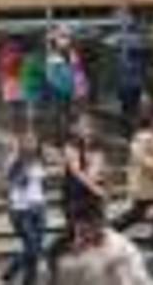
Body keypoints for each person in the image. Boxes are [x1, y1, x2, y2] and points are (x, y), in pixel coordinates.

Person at [47, 117, 108, 281]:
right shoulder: (71, 147)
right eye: (81, 125)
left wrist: (96, 184)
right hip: (74, 195)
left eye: (88, 126)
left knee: (96, 232)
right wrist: (95, 187)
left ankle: (91, 271)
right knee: (72, 232)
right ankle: (54, 261)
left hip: (91, 197)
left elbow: (97, 168)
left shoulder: (96, 146)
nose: (85, 129)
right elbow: (76, 172)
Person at [113, 109, 153, 247]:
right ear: (152, 122)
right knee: (138, 212)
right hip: (146, 182)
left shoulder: (150, 137)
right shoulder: (143, 138)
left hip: (151, 181)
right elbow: (141, 158)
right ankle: (113, 228)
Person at [58, 207, 151, 285]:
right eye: (78, 233)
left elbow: (135, 279)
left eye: (84, 232)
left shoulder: (122, 250)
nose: (79, 240)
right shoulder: (67, 253)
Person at [1, 131, 47, 285]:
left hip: (39, 208)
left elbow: (41, 183)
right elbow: (9, 178)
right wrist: (16, 156)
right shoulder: (16, 161)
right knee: (32, 248)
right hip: (21, 210)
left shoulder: (39, 160)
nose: (31, 144)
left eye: (34, 141)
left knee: (34, 248)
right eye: (28, 141)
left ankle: (27, 279)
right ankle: (12, 271)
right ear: (22, 144)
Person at [46, 28, 79, 145]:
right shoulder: (54, 55)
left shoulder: (70, 54)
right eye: (63, 38)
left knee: (66, 114)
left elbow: (75, 70)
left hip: (67, 89)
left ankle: (65, 137)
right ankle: (59, 138)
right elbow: (51, 75)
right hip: (58, 89)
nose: (66, 41)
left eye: (67, 38)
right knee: (59, 114)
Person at [117, 22, 149, 137]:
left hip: (125, 83)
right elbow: (143, 66)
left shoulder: (123, 43)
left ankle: (127, 131)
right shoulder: (139, 42)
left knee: (127, 109)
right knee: (134, 109)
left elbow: (121, 66)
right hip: (135, 83)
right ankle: (133, 131)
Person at [0, 34, 26, 134]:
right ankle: (17, 128)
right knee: (18, 107)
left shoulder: (4, 54)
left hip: (9, 82)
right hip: (17, 81)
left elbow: (1, 69)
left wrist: (1, 81)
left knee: (13, 107)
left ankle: (14, 128)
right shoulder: (18, 54)